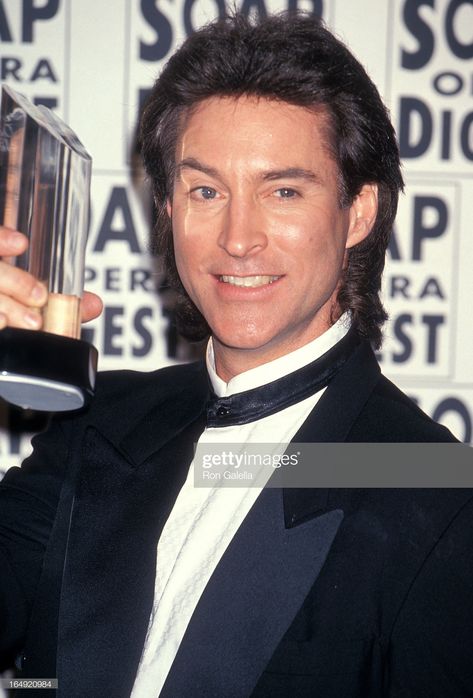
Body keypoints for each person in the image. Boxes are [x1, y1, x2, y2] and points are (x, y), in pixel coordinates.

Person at [0, 11, 472, 698]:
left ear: (359, 212)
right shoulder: (99, 424)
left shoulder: (437, 488)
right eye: (205, 191)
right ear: (165, 208)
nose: (238, 237)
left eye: (283, 190)